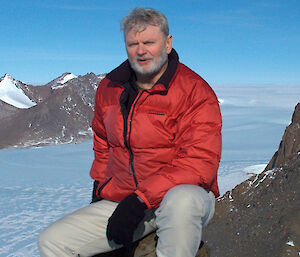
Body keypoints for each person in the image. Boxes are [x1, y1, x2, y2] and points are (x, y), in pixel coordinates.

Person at [38, 7, 222, 257]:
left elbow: (199, 164)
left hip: (180, 199)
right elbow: (103, 143)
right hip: (126, 201)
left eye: (149, 42)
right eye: (133, 43)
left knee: (182, 201)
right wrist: (100, 190)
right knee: (52, 242)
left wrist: (139, 201)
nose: (141, 50)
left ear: (168, 43)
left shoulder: (195, 91)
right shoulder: (109, 88)